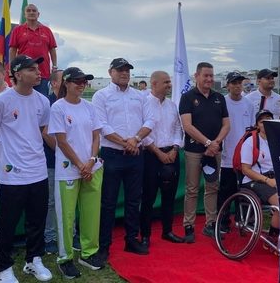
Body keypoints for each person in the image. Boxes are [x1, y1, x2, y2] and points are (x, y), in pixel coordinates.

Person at [0, 55, 52, 282]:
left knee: (37, 220)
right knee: (7, 223)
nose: (39, 73)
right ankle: (3, 267)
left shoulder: (43, 101)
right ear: (17, 74)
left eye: (38, 68)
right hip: (10, 175)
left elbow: (42, 130)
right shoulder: (0, 102)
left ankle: (33, 260)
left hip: (38, 170)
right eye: (32, 69)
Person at [92, 58, 155, 259]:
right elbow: (102, 125)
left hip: (135, 154)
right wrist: (125, 143)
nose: (124, 73)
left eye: (127, 70)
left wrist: (135, 140)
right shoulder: (101, 96)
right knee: (108, 202)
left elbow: (150, 120)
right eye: (120, 70)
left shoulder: (140, 96)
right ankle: (104, 246)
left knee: (133, 200)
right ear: (110, 72)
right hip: (112, 155)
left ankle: (131, 240)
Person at [48, 67, 104, 278]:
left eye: (84, 81)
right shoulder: (58, 107)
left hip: (92, 168)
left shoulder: (89, 107)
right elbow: (61, 141)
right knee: (66, 216)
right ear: (66, 84)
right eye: (77, 81)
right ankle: (65, 257)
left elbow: (96, 136)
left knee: (91, 214)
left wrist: (90, 162)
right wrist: (80, 165)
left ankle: (89, 253)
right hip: (68, 170)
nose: (82, 85)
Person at [179, 62, 230, 242]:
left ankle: (210, 224)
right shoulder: (187, 97)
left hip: (214, 151)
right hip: (194, 151)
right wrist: (207, 142)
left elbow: (226, 125)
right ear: (197, 76)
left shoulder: (219, 97)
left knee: (212, 187)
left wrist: (215, 143)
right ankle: (189, 226)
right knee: (192, 189)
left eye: (211, 76)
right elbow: (187, 126)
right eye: (205, 75)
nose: (209, 79)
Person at [140, 71, 184, 247]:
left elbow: (178, 129)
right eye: (165, 82)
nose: (169, 85)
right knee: (149, 197)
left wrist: (174, 149)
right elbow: (141, 131)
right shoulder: (144, 104)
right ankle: (145, 236)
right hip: (151, 155)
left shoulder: (172, 106)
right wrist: (157, 152)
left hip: (171, 154)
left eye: (170, 82)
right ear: (154, 83)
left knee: (169, 196)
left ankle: (167, 231)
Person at [218, 71, 255, 229]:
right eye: (234, 83)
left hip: (244, 158)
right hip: (227, 157)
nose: (237, 86)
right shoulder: (222, 103)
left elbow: (252, 130)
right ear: (227, 85)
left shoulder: (248, 104)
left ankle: (244, 221)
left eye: (239, 83)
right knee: (226, 192)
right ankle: (223, 222)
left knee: (245, 191)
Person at [241, 109, 279, 253]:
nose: (266, 123)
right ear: (257, 125)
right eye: (262, 121)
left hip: (273, 178)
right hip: (253, 180)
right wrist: (266, 180)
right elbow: (245, 169)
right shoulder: (251, 142)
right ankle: (272, 239)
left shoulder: (276, 140)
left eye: (269, 119)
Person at [9, 4, 58, 97]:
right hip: (23, 73)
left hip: (42, 73)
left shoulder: (47, 30)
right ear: (24, 14)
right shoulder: (17, 30)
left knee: (41, 100)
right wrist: (11, 69)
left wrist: (55, 66)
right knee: (22, 98)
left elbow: (52, 49)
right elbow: (12, 50)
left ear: (38, 14)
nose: (31, 12)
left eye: (34, 11)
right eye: (28, 10)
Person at [43, 69, 62, 255]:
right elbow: (45, 132)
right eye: (65, 80)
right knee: (49, 202)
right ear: (54, 83)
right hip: (51, 160)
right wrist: (62, 152)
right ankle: (49, 238)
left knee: (68, 201)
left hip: (71, 161)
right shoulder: (48, 104)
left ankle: (69, 235)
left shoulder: (74, 103)